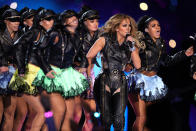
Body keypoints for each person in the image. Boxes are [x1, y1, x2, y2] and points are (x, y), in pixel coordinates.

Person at [128, 15, 194, 131]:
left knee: (152, 119)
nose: (158, 27)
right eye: (153, 26)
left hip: (153, 85)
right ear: (146, 29)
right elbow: (131, 60)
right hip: (139, 83)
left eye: (158, 25)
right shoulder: (139, 42)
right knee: (141, 118)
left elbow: (167, 61)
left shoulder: (161, 44)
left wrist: (184, 54)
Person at [32, 9, 88, 131]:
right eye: (69, 17)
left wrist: (83, 64)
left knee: (69, 116)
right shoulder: (55, 34)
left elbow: (82, 53)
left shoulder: (78, 36)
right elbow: (38, 50)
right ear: (63, 21)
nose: (74, 18)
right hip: (53, 72)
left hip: (68, 74)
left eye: (75, 16)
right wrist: (46, 69)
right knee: (59, 111)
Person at [86, 14, 140, 130]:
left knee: (119, 121)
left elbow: (138, 65)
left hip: (120, 81)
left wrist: (132, 47)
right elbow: (89, 56)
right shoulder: (103, 39)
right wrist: (89, 79)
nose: (128, 28)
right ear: (116, 28)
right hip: (104, 80)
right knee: (106, 120)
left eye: (129, 26)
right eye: (125, 26)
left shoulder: (130, 44)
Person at [9, 9, 57, 131]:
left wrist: (47, 70)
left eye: (52, 19)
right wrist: (21, 68)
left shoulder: (45, 34)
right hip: (28, 74)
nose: (51, 21)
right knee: (40, 112)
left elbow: (40, 55)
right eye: (48, 19)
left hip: (38, 74)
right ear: (40, 22)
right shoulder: (35, 32)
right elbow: (18, 46)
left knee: (45, 112)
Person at [12, 7, 36, 131]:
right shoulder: (20, 33)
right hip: (23, 74)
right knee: (22, 113)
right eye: (31, 19)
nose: (35, 20)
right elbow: (16, 50)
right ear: (25, 21)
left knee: (34, 113)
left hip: (35, 74)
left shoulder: (39, 32)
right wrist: (20, 68)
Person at [77, 8, 101, 131]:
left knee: (90, 114)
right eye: (92, 21)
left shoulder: (100, 35)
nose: (95, 23)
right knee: (76, 116)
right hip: (77, 75)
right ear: (84, 21)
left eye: (97, 20)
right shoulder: (77, 36)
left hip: (92, 74)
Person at [0, 8, 22, 131]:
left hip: (13, 75)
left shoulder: (21, 35)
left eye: (18, 20)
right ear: (5, 21)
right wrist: (3, 64)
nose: (17, 22)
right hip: (1, 73)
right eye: (13, 20)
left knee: (10, 114)